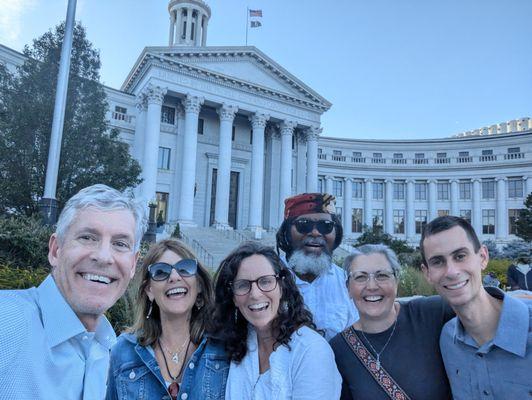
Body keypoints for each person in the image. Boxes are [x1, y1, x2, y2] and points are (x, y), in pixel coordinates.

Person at [0, 184, 147, 400]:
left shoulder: (109, 351)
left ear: (133, 265)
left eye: (120, 244)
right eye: (87, 237)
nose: (104, 256)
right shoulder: (6, 321)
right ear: (55, 250)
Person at [420, 215, 532, 400]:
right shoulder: (448, 340)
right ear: (427, 273)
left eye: (460, 256)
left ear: (483, 257)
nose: (452, 272)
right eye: (438, 262)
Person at [212, 241, 341, 399]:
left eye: (265, 281)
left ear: (282, 287)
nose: (255, 294)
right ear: (233, 298)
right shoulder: (236, 345)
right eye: (243, 285)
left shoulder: (311, 350)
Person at [106, 239, 229, 400]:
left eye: (185, 268)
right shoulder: (123, 351)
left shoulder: (223, 348)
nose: (174, 277)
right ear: (149, 290)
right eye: (161, 272)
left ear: (198, 285)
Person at [330, 244, 454, 400]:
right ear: (348, 288)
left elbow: (479, 307)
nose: (372, 286)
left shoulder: (430, 314)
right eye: (360, 277)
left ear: (397, 281)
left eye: (382, 275)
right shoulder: (339, 349)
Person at [276, 192, 358, 340]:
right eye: (304, 225)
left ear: (336, 232)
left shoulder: (346, 282)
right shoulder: (267, 278)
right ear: (287, 231)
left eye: (325, 226)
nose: (315, 232)